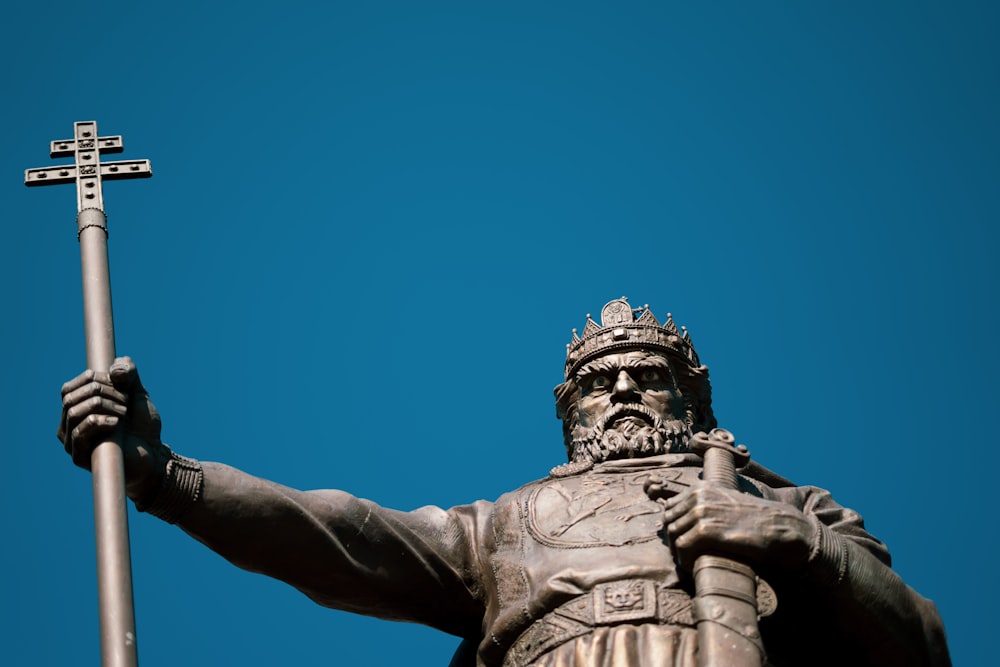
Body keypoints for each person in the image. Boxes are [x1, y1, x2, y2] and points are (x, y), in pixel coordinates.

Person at [59, 298, 950, 666]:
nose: (626, 388)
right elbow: (339, 532)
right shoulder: (508, 522)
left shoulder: (787, 506)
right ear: (571, 410)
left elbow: (919, 642)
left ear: (692, 393)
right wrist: (169, 479)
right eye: (602, 381)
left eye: (649, 373)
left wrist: (796, 545)